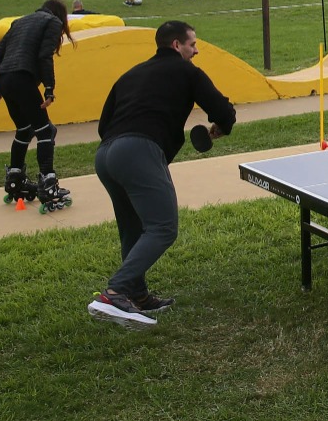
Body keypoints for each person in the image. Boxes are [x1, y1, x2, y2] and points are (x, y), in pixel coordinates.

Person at [88, 20, 237, 327]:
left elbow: (104, 125)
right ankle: (115, 292)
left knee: (133, 228)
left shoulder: (130, 75)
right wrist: (222, 127)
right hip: (139, 152)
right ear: (176, 45)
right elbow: (223, 109)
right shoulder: (187, 72)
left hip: (105, 156)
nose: (196, 51)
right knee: (163, 227)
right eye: (192, 44)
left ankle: (138, 295)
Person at [0, 0, 75, 209]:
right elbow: (44, 56)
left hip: (4, 78)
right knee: (46, 131)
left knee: (24, 129)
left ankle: (15, 178)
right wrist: (49, 88)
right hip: (22, 77)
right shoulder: (52, 22)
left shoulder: (19, 22)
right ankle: (48, 182)